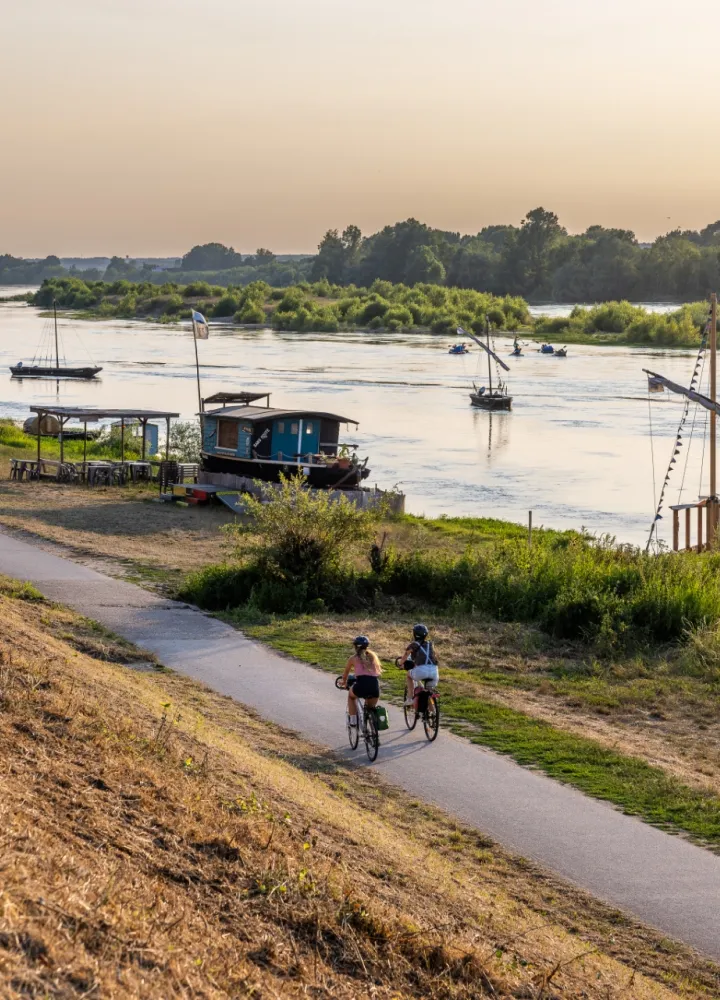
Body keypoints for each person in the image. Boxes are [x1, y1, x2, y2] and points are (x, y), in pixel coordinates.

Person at [340, 635, 382, 728]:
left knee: (351, 697)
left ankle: (353, 721)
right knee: (370, 708)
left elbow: (346, 673)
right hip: (374, 686)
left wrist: (344, 682)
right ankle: (372, 728)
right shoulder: (373, 656)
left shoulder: (353, 658)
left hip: (361, 685)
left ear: (355, 647)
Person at [399, 623, 439, 708]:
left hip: (421, 670)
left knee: (409, 675)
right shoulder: (430, 644)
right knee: (428, 692)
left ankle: (410, 698)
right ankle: (433, 713)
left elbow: (405, 656)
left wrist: (400, 664)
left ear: (414, 634)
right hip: (434, 671)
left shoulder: (413, 645)